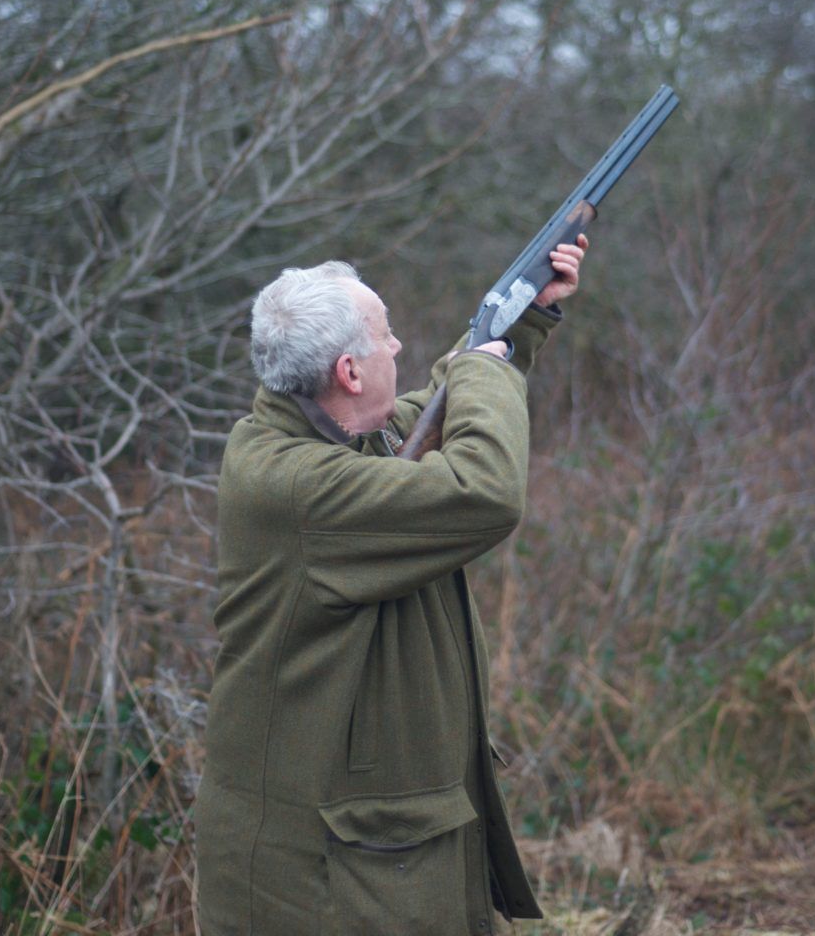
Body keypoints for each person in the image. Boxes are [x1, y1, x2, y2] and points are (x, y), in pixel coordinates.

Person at [194, 237, 588, 935]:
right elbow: (483, 489)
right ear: (349, 371)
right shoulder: (299, 485)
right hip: (326, 876)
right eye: (385, 336)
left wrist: (521, 319)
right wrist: (485, 370)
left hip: (368, 852)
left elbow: (435, 407)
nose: (399, 346)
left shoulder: (336, 439)